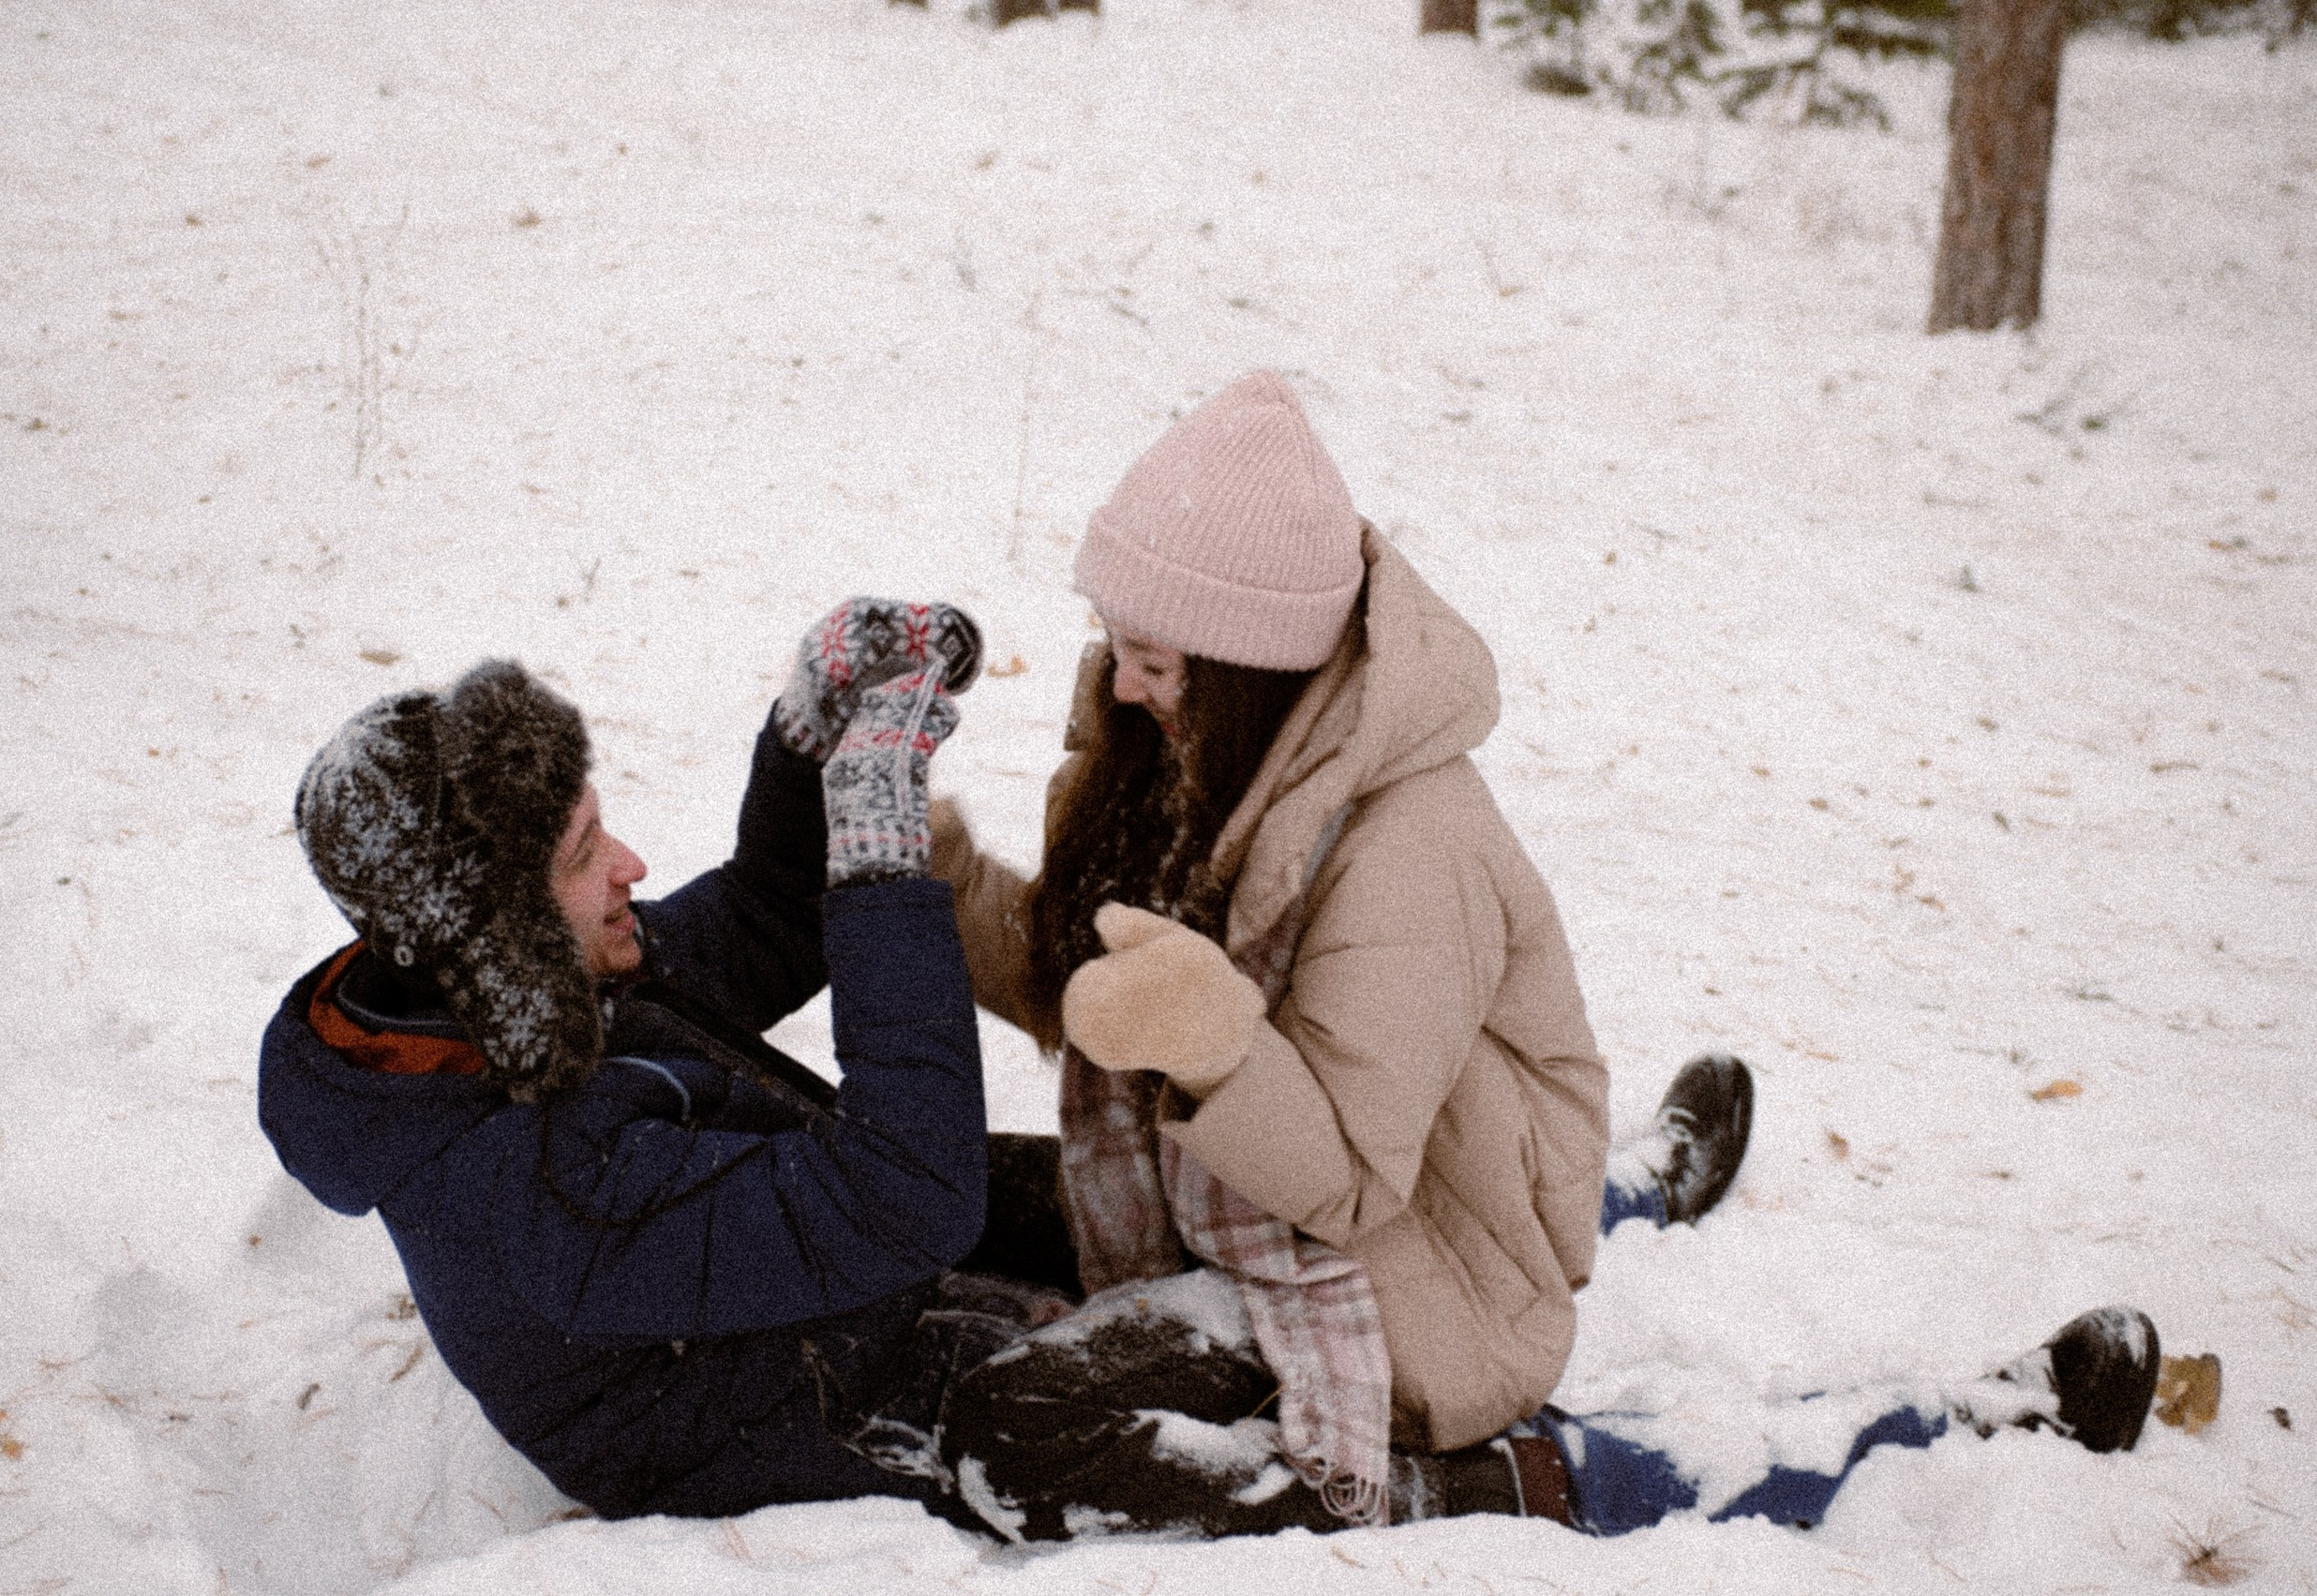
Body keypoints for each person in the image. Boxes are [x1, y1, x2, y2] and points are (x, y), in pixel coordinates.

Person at [923, 371, 2162, 1541]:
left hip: (1405, 1255)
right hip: (1271, 1191)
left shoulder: (1411, 847)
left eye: (1155, 660)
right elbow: (1090, 988)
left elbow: (1349, 1171)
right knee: (934, 1190)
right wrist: (938, 878)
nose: (1123, 684)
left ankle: (1763, 1444)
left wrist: (1215, 1048)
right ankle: (1636, 1184)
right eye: (1116, 642)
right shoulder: (1187, 753)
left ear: (1251, 666)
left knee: (1016, 1432)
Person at [258, 607, 1075, 1524]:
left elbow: (766, 917)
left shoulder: (502, 990)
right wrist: (881, 861)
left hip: (831, 1285)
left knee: (1122, 1198)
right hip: (811, 1410)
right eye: (582, 854)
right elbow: (910, 1193)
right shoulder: (539, 1184)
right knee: (1224, 1403)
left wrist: (808, 737)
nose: (630, 865)